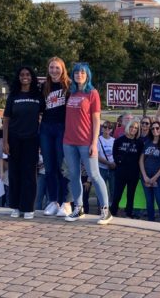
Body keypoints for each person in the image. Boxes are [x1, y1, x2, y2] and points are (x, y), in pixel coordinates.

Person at [63, 62, 112, 224]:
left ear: (87, 75)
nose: (79, 75)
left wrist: (93, 143)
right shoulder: (71, 93)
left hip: (86, 141)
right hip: (69, 141)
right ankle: (78, 208)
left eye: (82, 73)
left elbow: (96, 120)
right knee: (74, 175)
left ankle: (105, 210)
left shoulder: (92, 93)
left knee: (94, 175)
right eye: (76, 73)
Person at [4, 66, 45, 217]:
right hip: (14, 139)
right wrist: (5, 142)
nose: (25, 77)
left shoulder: (38, 95)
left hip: (31, 139)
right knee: (14, 173)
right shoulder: (13, 96)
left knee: (29, 174)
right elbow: (6, 119)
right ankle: (15, 206)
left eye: (27, 74)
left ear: (32, 77)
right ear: (18, 77)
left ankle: (28, 207)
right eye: (22, 74)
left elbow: (45, 115)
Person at [40, 57, 72, 217]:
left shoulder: (69, 85)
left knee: (62, 166)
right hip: (46, 128)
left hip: (62, 128)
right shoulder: (44, 86)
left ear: (63, 69)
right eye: (51, 67)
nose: (54, 70)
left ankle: (65, 202)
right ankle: (53, 201)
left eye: (57, 68)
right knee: (49, 166)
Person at [140, 120, 160, 223]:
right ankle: (151, 222)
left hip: (159, 177)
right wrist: (144, 176)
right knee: (149, 201)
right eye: (152, 128)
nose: (155, 130)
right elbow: (141, 160)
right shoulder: (147, 142)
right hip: (146, 175)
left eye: (157, 128)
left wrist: (155, 178)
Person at [111, 120, 143, 217]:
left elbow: (140, 158)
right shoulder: (119, 140)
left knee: (131, 194)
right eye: (132, 127)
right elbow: (114, 154)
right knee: (117, 194)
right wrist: (119, 162)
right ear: (128, 127)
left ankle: (129, 213)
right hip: (121, 172)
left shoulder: (139, 142)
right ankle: (112, 212)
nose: (133, 129)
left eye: (136, 128)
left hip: (134, 173)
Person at [98, 120, 116, 204]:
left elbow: (117, 154)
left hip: (113, 169)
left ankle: (112, 208)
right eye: (105, 127)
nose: (107, 129)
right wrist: (108, 163)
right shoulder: (98, 139)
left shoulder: (114, 140)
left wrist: (114, 164)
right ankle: (100, 207)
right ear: (102, 128)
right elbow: (97, 156)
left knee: (113, 190)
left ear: (112, 130)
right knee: (101, 190)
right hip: (102, 168)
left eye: (110, 128)